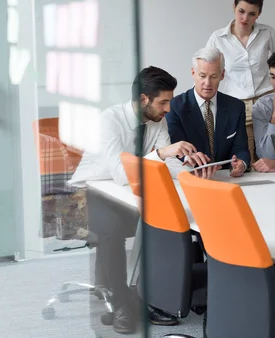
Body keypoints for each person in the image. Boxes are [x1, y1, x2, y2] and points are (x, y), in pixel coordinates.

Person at [70, 66, 197, 334]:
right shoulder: (109, 120)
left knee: (166, 219)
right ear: (143, 99)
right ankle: (122, 304)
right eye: (163, 102)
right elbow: (120, 173)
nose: (167, 108)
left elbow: (168, 162)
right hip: (91, 191)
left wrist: (192, 175)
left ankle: (151, 296)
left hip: (129, 191)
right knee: (111, 229)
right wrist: (162, 153)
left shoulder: (157, 120)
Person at [206, 0, 275, 161]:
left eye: (251, 14)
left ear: (259, 14)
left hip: (267, 100)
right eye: (241, 11)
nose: (244, 18)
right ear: (233, 7)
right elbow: (207, 68)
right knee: (247, 158)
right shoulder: (218, 38)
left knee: (273, 154)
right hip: (237, 103)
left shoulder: (267, 33)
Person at [166, 47, 250, 178]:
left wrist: (241, 163)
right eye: (202, 76)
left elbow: (241, 148)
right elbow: (175, 150)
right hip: (191, 178)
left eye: (214, 76)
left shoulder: (236, 107)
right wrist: (189, 158)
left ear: (222, 75)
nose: (207, 83)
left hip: (227, 178)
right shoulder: (175, 107)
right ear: (193, 73)